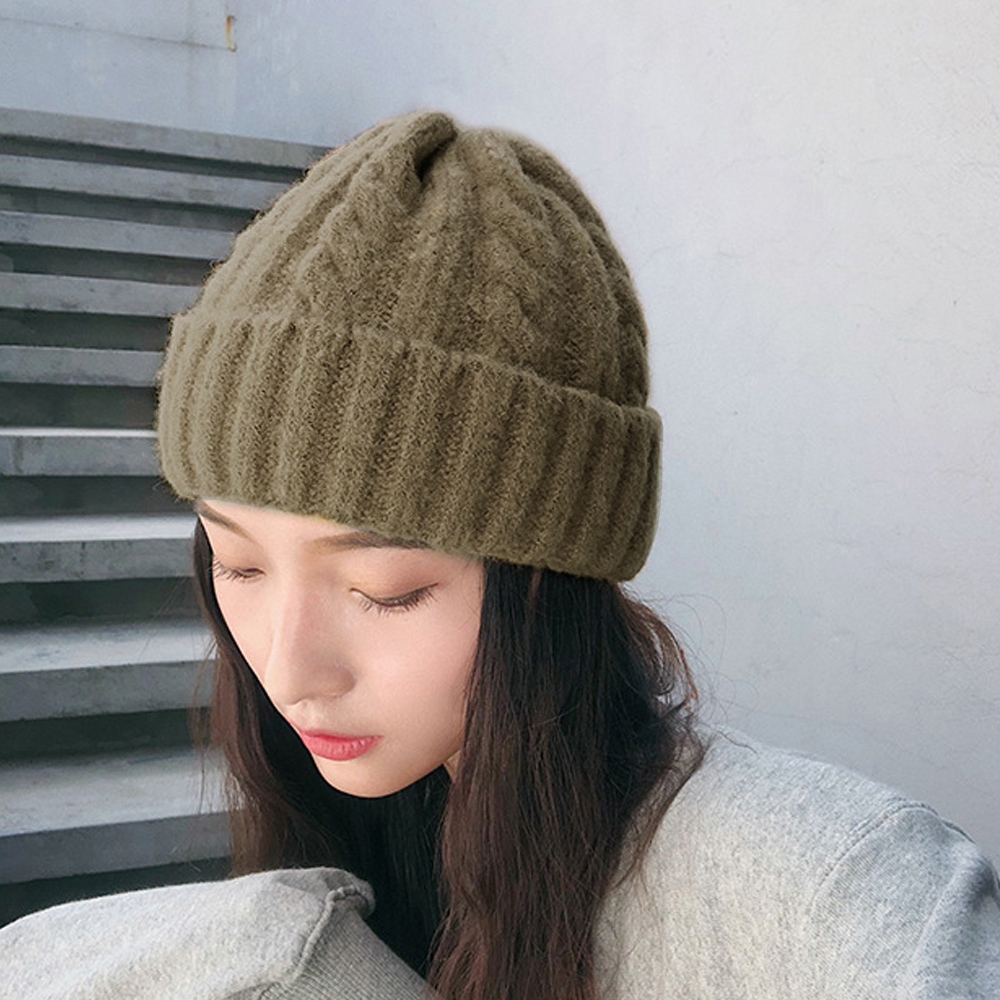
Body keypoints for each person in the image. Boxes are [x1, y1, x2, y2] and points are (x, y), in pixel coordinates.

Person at [3, 109, 998, 1000]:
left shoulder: (836, 880)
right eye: (240, 565)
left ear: (549, 582)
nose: (289, 671)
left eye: (385, 589)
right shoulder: (351, 851)